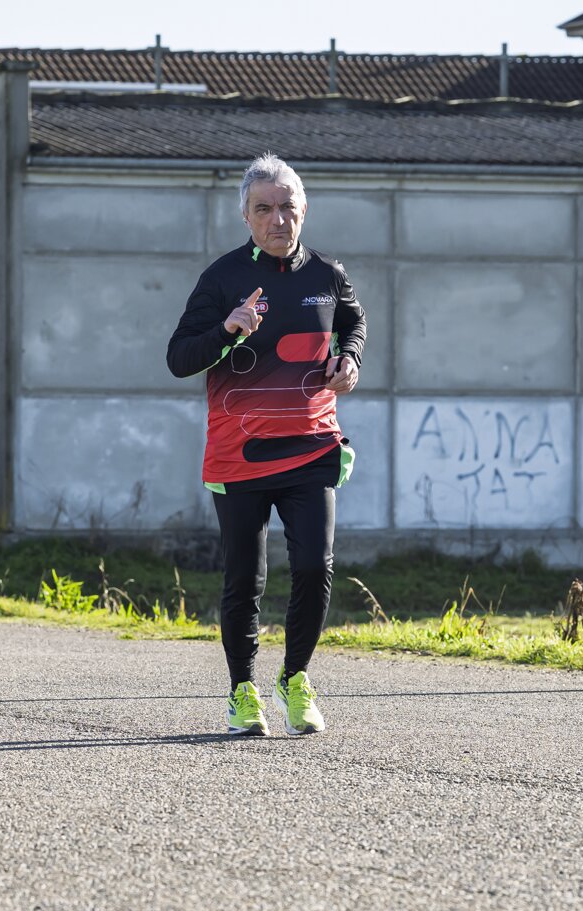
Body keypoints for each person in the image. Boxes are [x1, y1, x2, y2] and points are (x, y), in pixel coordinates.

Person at [166, 154, 365, 736]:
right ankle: (242, 691)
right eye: (264, 209)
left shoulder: (327, 274)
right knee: (244, 580)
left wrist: (350, 359)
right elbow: (179, 358)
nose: (278, 219)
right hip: (241, 455)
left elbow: (352, 323)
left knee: (314, 567)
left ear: (304, 210)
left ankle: (295, 678)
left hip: (311, 447)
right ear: (246, 216)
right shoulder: (222, 278)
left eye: (287, 207)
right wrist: (227, 329)